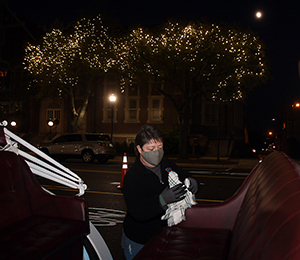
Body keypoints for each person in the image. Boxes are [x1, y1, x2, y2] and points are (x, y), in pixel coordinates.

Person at [121, 125, 199, 259]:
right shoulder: (133, 177)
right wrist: (162, 200)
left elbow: (184, 175)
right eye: (151, 149)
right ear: (140, 149)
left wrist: (193, 182)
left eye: (160, 147)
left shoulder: (167, 165)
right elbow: (137, 211)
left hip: (166, 236)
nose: (156, 152)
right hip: (139, 240)